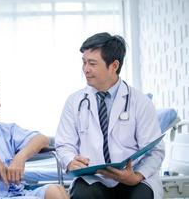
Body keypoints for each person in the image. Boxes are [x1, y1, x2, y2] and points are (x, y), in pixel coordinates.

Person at [55, 32, 165, 199]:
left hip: (133, 176)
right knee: (83, 195)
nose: (85, 69)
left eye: (92, 63)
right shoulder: (74, 101)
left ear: (114, 65)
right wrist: (70, 161)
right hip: (94, 178)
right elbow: (64, 144)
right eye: (84, 62)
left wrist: (137, 175)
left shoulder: (140, 102)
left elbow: (155, 150)